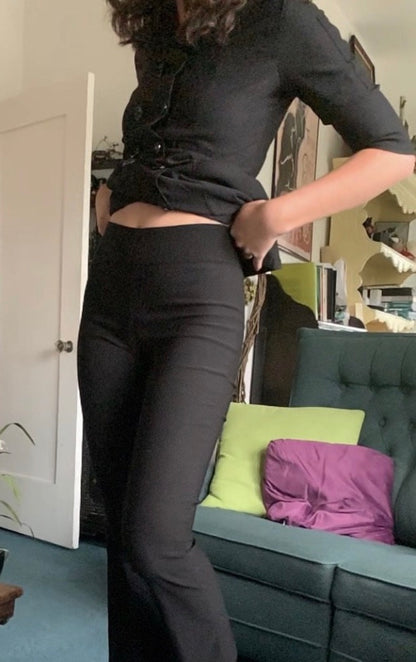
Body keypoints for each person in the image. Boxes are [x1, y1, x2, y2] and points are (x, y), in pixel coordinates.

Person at [77, 1, 415, 661]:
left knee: (155, 536)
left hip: (196, 290)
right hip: (113, 286)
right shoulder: (157, 25)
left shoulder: (281, 17)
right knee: (122, 532)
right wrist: (111, 195)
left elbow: (392, 151)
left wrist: (276, 216)